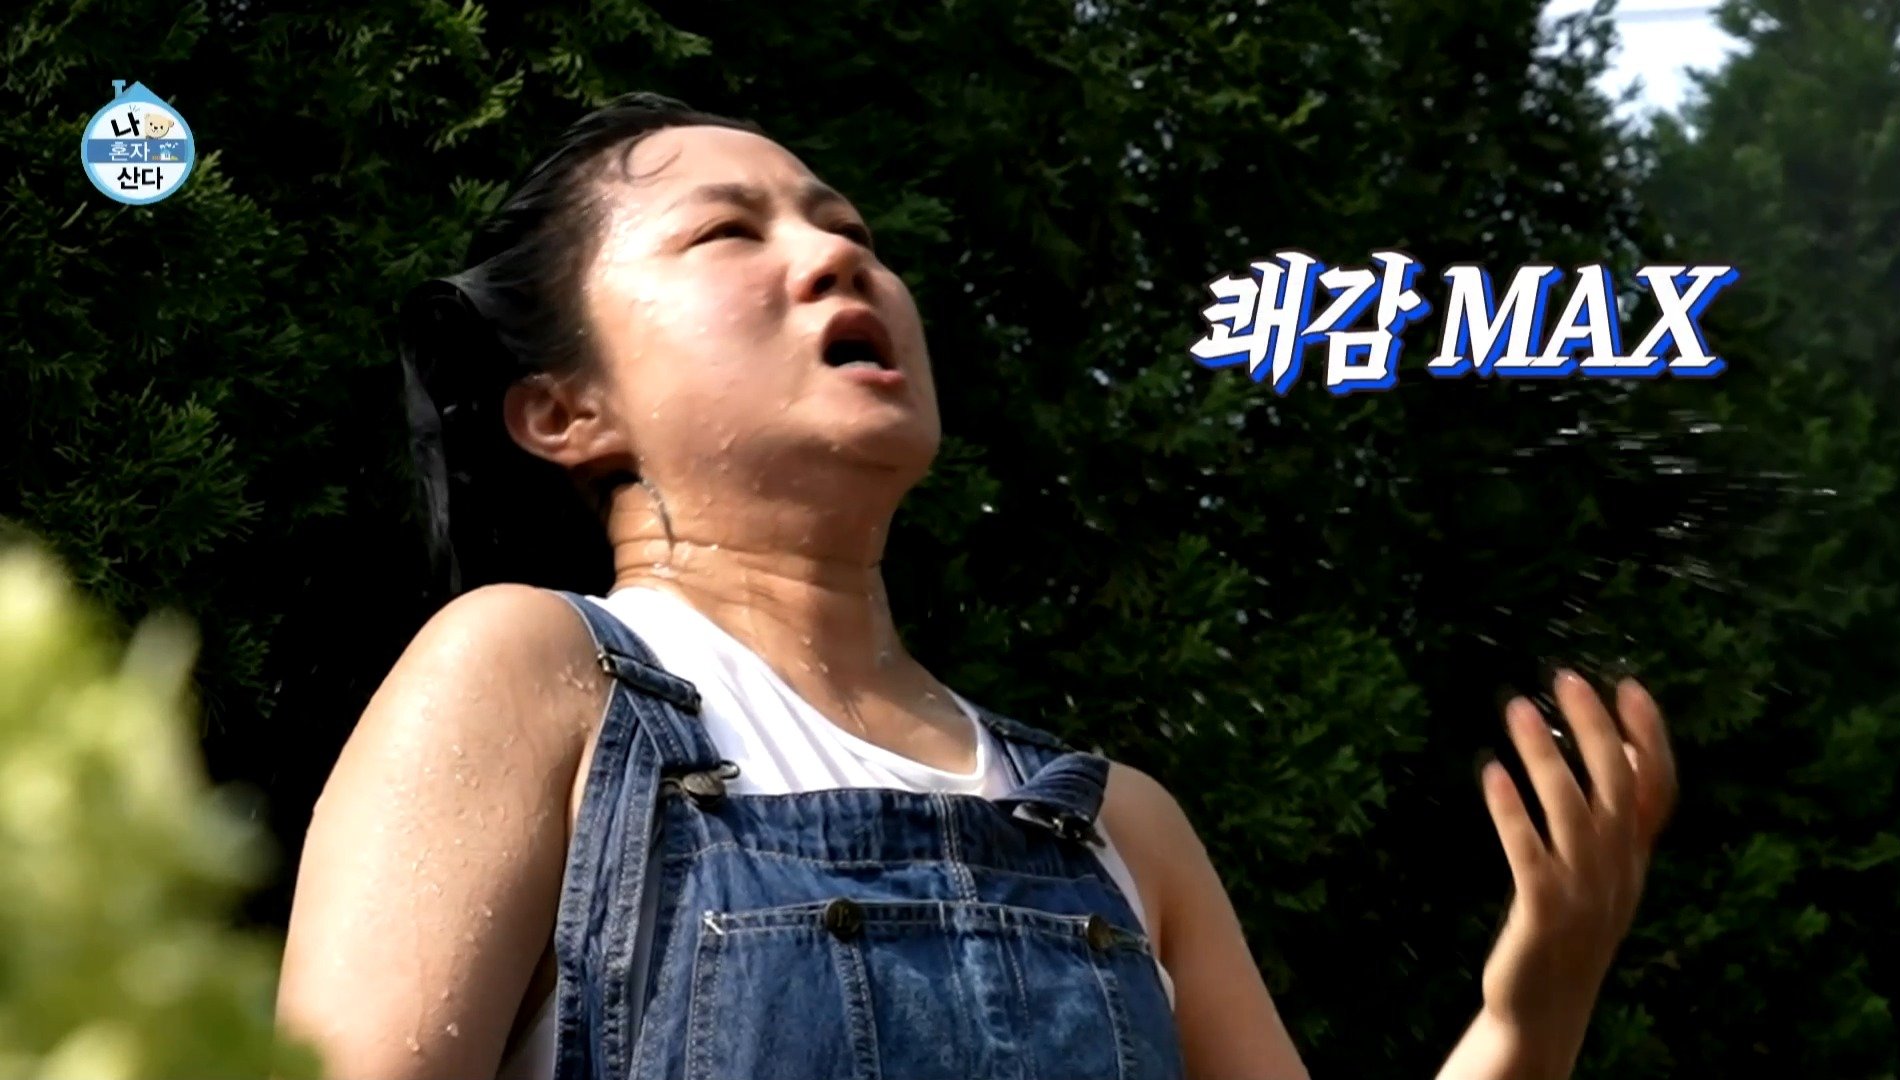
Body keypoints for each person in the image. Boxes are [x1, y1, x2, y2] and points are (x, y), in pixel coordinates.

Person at [274, 92, 1680, 1080]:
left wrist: (1534, 1008)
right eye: (728, 233)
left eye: (850, 228)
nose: (838, 253)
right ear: (565, 411)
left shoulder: (1121, 826)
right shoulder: (527, 673)